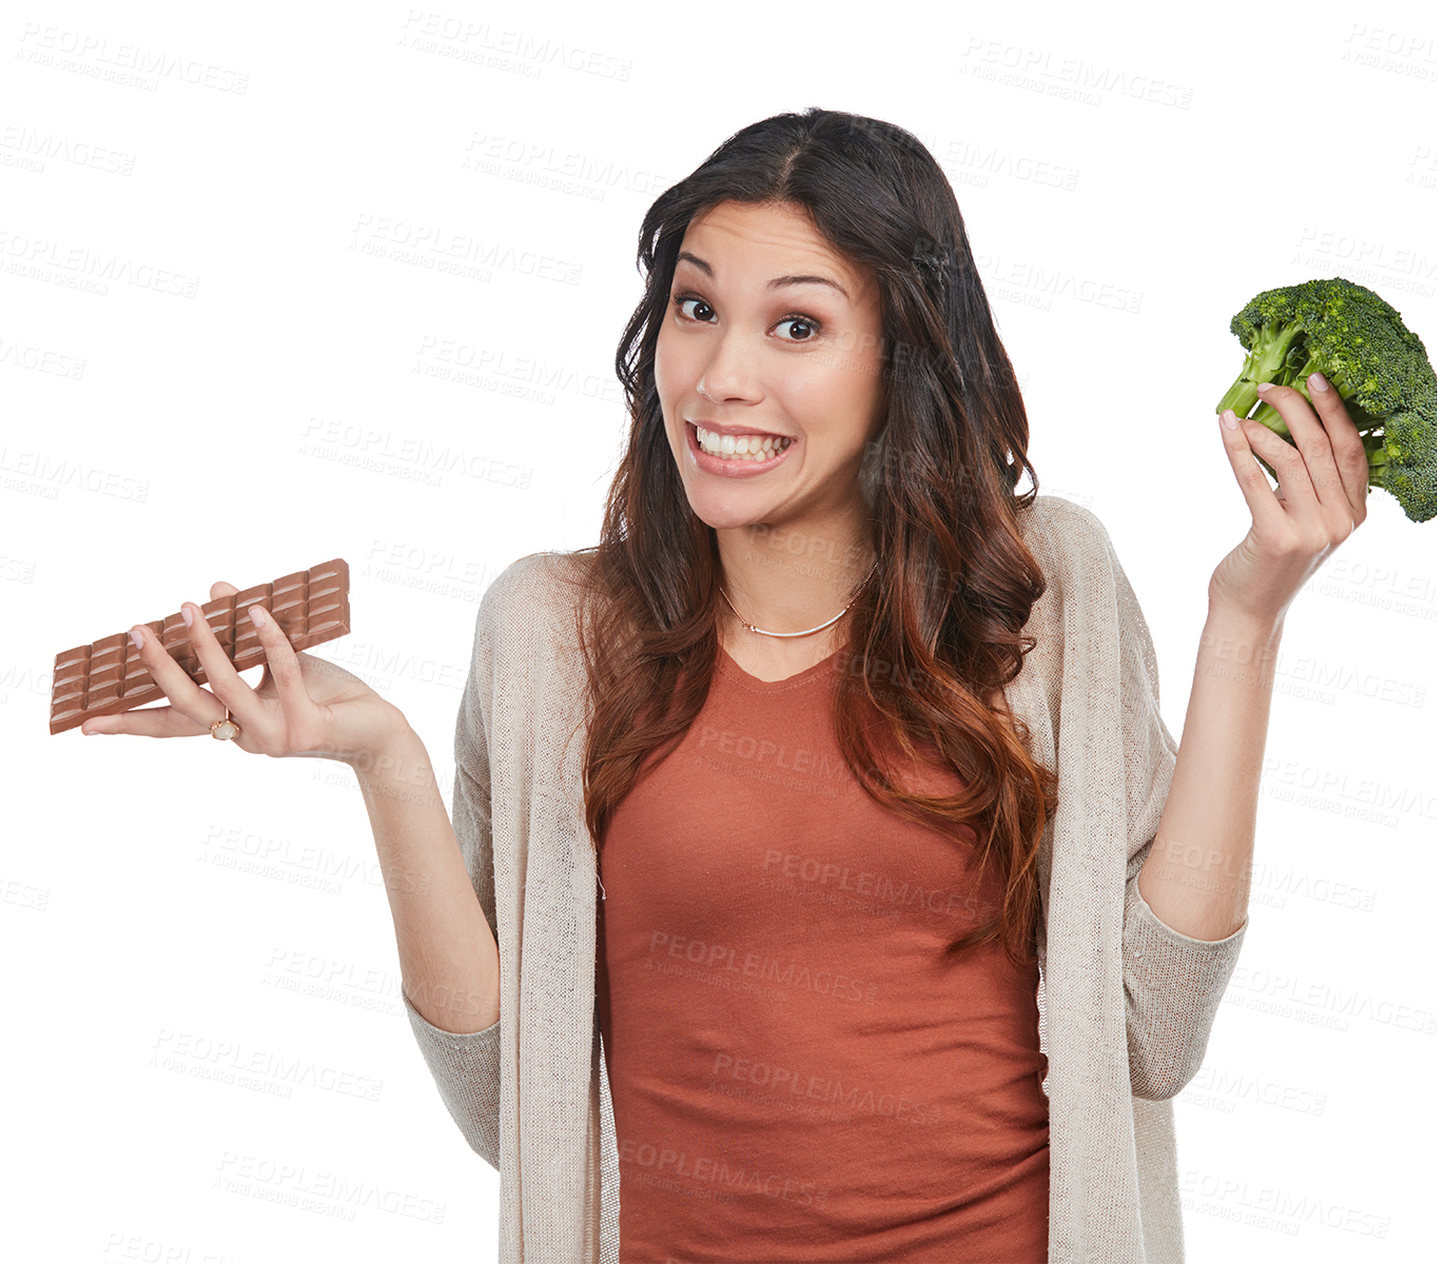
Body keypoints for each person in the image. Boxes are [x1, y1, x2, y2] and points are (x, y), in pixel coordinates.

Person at [85, 108, 1372, 1263]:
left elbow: (1155, 1028)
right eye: (697, 308)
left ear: (904, 360)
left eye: (796, 325)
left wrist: (1246, 615)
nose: (720, 377)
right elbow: (511, 1109)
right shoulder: (550, 632)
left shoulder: (1045, 589)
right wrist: (385, 761)